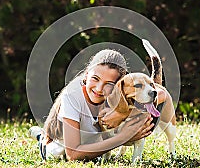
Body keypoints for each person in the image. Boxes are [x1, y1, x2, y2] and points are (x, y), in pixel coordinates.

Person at [29, 49, 164, 161]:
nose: (99, 89)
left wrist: (121, 112)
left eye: (108, 84)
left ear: (119, 87)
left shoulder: (118, 95)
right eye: (95, 79)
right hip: (63, 148)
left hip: (94, 149)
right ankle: (40, 136)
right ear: (86, 75)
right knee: (55, 152)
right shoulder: (72, 96)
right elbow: (73, 155)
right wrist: (122, 138)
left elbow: (161, 94)